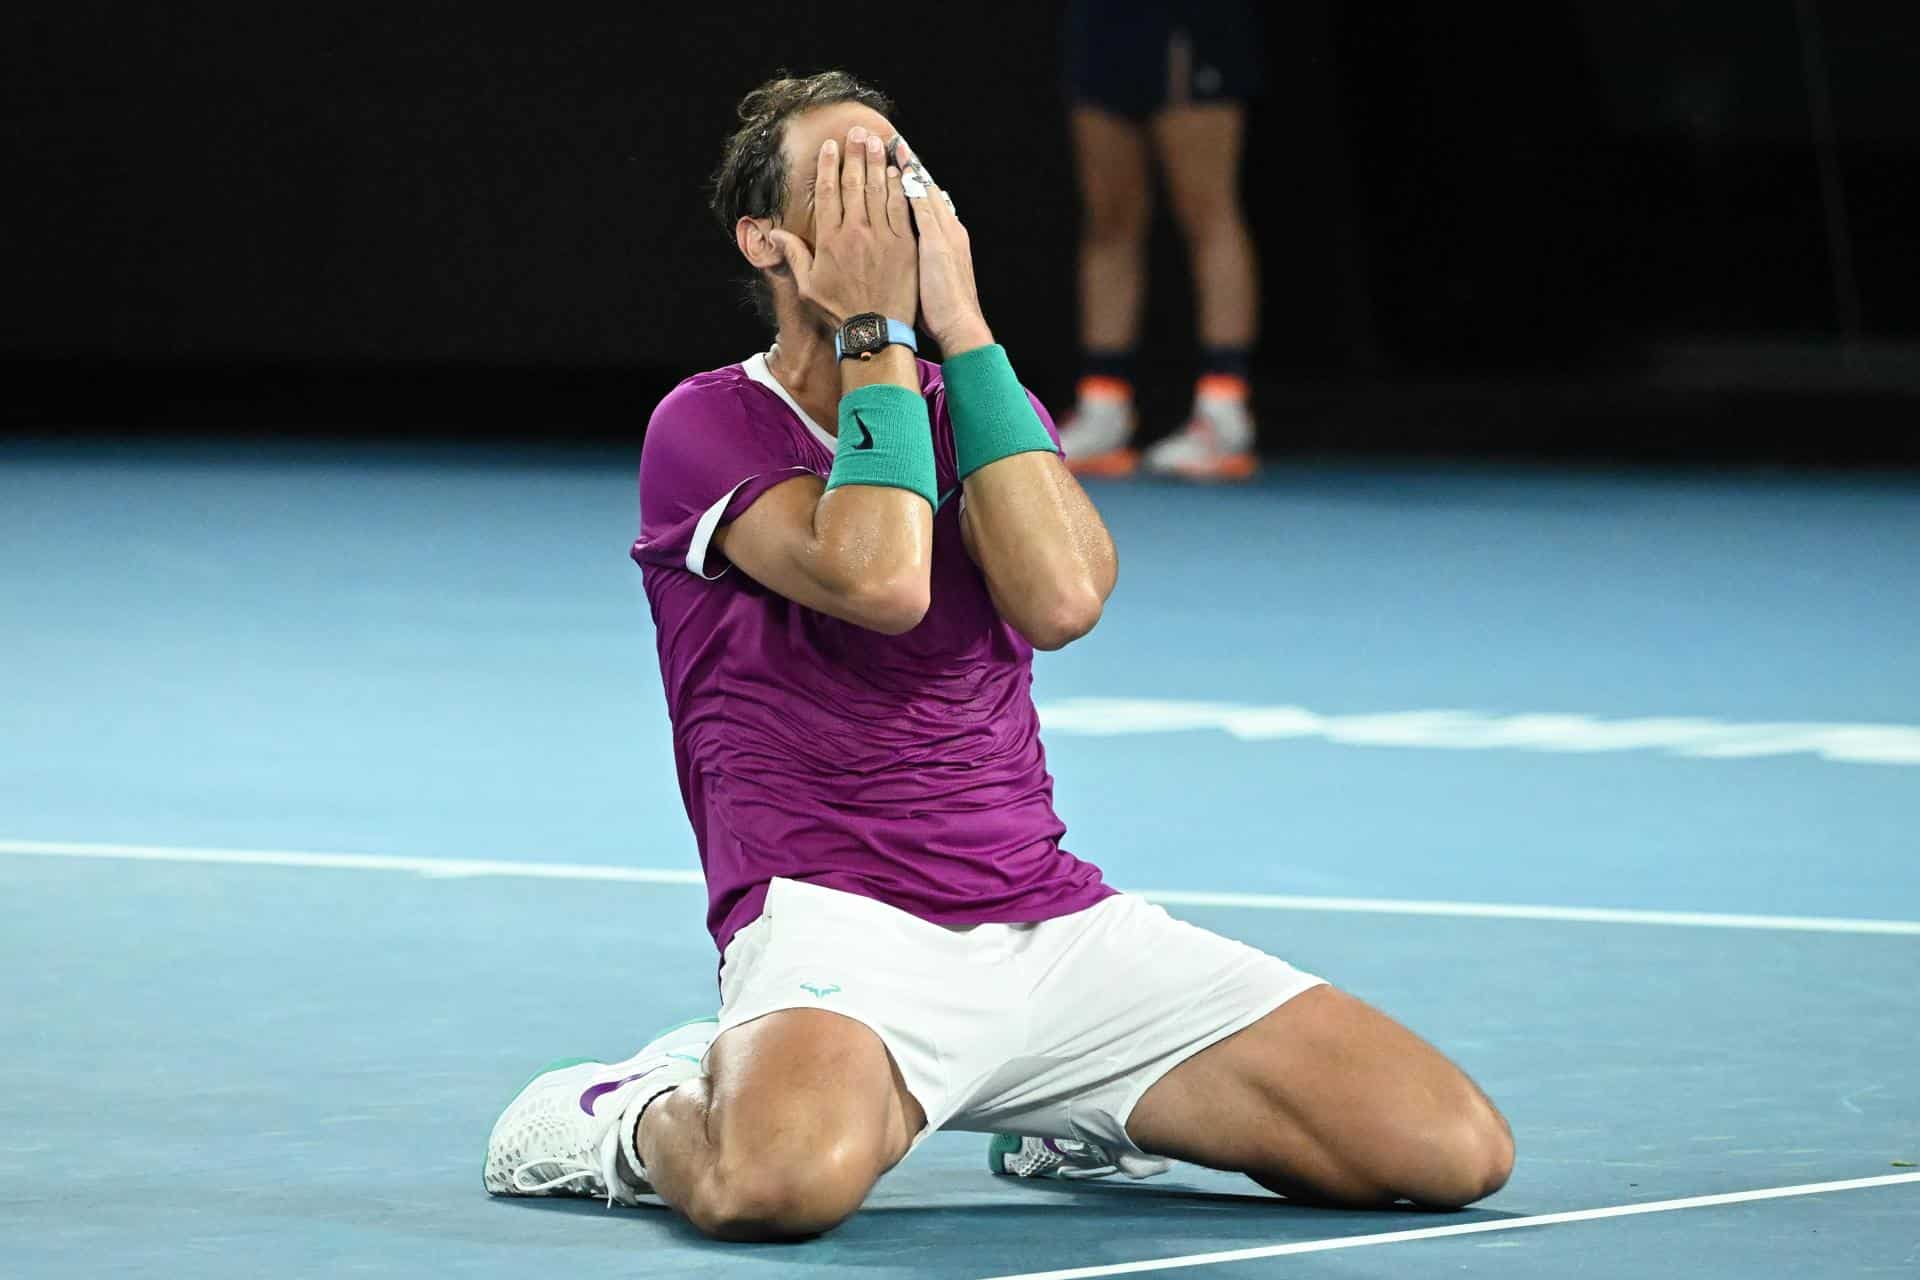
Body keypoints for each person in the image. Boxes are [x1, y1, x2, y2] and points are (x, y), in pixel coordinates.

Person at [482, 71, 1511, 1241]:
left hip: (1052, 926)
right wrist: (879, 332)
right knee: (771, 1186)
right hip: (837, 924)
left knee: (1450, 1146)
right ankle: (630, 1106)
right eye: (847, 177)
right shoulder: (706, 425)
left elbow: (1066, 597)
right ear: (768, 241)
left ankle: (1072, 1111)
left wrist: (961, 331)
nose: (888, 200)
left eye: (901, 170)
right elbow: (879, 576)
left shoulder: (981, 392)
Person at [1058, 0, 1265, 480]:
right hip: (1102, 20)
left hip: (1189, 19)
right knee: (1108, 219)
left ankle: (1223, 410)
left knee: (1207, 210)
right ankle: (1103, 408)